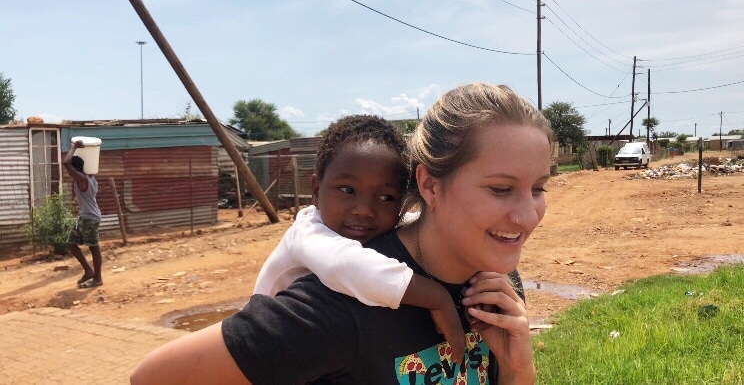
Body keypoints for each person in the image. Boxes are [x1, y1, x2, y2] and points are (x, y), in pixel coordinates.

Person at [131, 83, 554, 384]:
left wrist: (518, 370)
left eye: (537, 189)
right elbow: (152, 376)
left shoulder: (496, 285)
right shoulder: (342, 303)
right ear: (429, 186)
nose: (526, 215)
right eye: (501, 189)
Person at [253, 115, 467, 361]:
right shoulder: (308, 233)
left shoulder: (379, 228)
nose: (364, 210)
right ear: (315, 190)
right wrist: (439, 298)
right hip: (269, 355)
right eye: (347, 190)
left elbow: (418, 226)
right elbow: (345, 265)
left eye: (386, 197)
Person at [63, 140, 103, 288]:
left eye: (72, 170)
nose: (69, 172)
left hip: (90, 218)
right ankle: (88, 271)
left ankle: (97, 278)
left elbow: (65, 163)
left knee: (94, 247)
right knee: (71, 244)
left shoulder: (83, 179)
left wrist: (73, 147)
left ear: (76, 170)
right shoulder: (90, 177)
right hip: (85, 217)